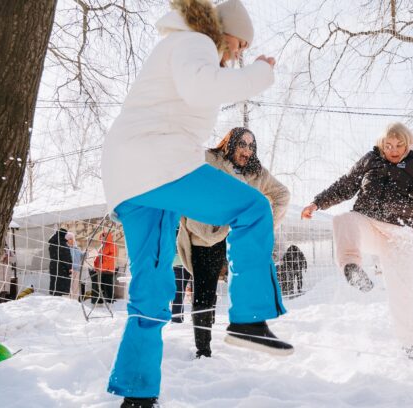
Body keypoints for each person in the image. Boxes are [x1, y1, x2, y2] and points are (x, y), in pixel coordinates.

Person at [100, 1, 291, 405]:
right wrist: (260, 73)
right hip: (159, 163)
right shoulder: (196, 41)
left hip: (129, 179)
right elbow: (200, 87)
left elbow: (195, 91)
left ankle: (138, 393)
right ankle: (249, 318)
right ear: (224, 32)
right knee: (253, 209)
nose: (238, 53)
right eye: (239, 44)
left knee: (151, 287)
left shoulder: (182, 45)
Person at [301, 122, 413, 360]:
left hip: (401, 235)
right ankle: (352, 268)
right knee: (343, 220)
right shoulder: (371, 160)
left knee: (399, 289)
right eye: (388, 145)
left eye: (398, 145)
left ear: (408, 143)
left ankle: (409, 345)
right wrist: (318, 202)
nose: (393, 150)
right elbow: (346, 184)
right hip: (369, 224)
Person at [176, 126, 290, 358]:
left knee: (251, 279)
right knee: (204, 293)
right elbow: (182, 170)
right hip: (206, 235)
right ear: (230, 144)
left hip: (236, 237)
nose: (247, 150)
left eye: (251, 146)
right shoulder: (210, 160)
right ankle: (203, 348)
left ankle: (249, 328)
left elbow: (282, 195)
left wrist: (262, 228)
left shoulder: (257, 173)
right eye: (242, 144)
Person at [91, 231, 118, 304]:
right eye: (102, 237)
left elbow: (113, 255)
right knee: (101, 286)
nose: (103, 238)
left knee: (108, 286)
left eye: (104, 237)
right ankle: (101, 300)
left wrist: (103, 257)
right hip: (101, 270)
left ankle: (110, 301)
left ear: (108, 237)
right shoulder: (102, 246)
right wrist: (95, 265)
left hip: (108, 269)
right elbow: (98, 257)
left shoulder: (112, 245)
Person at [47, 228, 72, 296]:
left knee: (55, 287)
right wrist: (69, 267)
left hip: (53, 266)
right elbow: (66, 258)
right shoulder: (63, 244)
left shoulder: (52, 243)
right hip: (62, 268)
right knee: (60, 290)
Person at [65, 232, 87, 300]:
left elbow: (82, 257)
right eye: (69, 239)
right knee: (69, 288)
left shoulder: (77, 249)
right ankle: (69, 301)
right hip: (69, 270)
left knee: (76, 287)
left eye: (72, 238)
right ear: (66, 240)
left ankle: (75, 302)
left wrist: (86, 253)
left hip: (77, 270)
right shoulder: (65, 249)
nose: (72, 240)